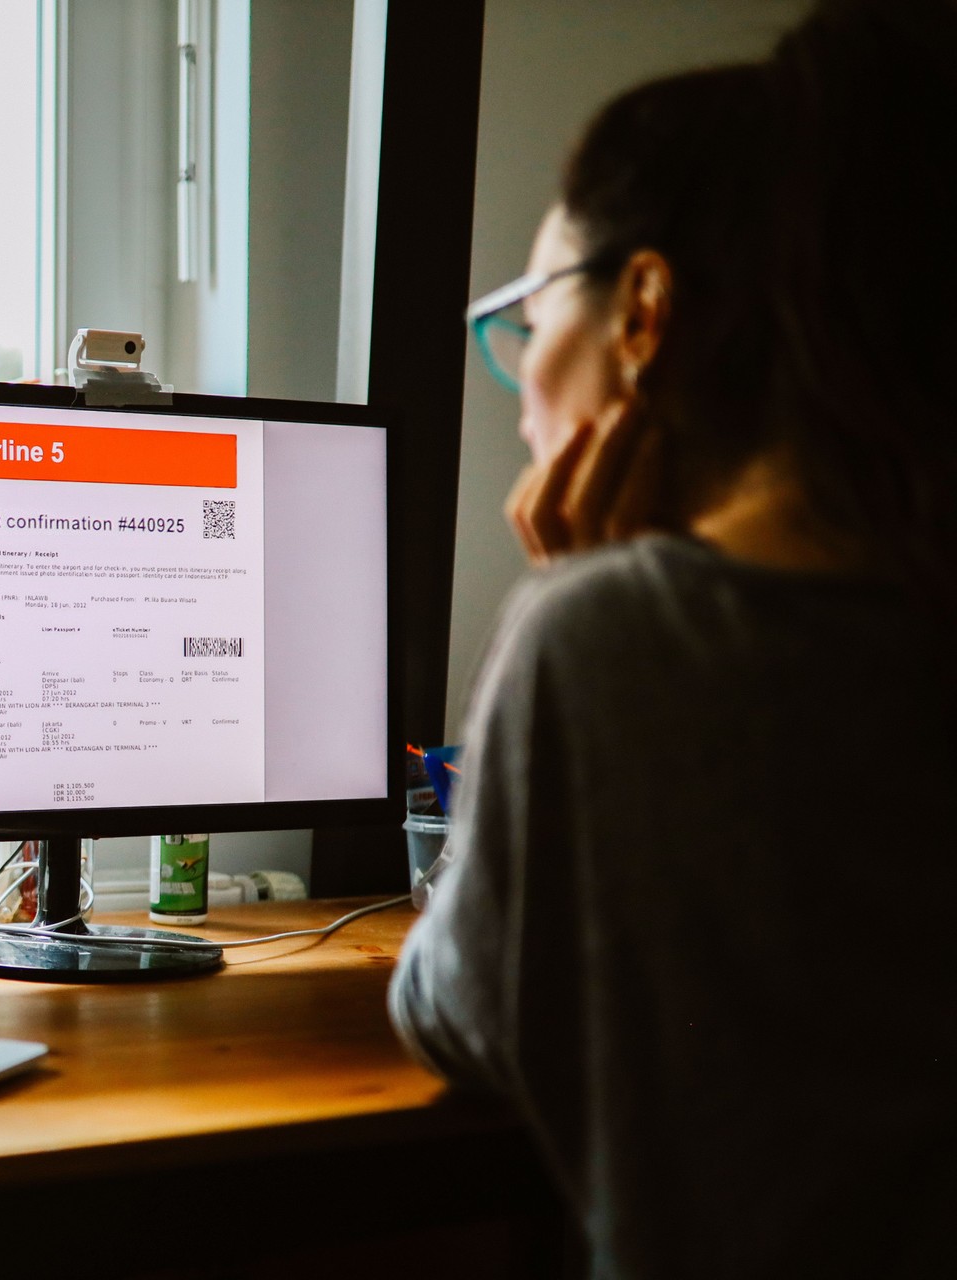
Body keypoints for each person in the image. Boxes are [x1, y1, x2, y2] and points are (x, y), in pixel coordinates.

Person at [388, 1, 957, 1275]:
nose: (523, 383)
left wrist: (586, 598)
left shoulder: (609, 640)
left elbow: (457, 1012)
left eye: (528, 319)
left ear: (643, 312)